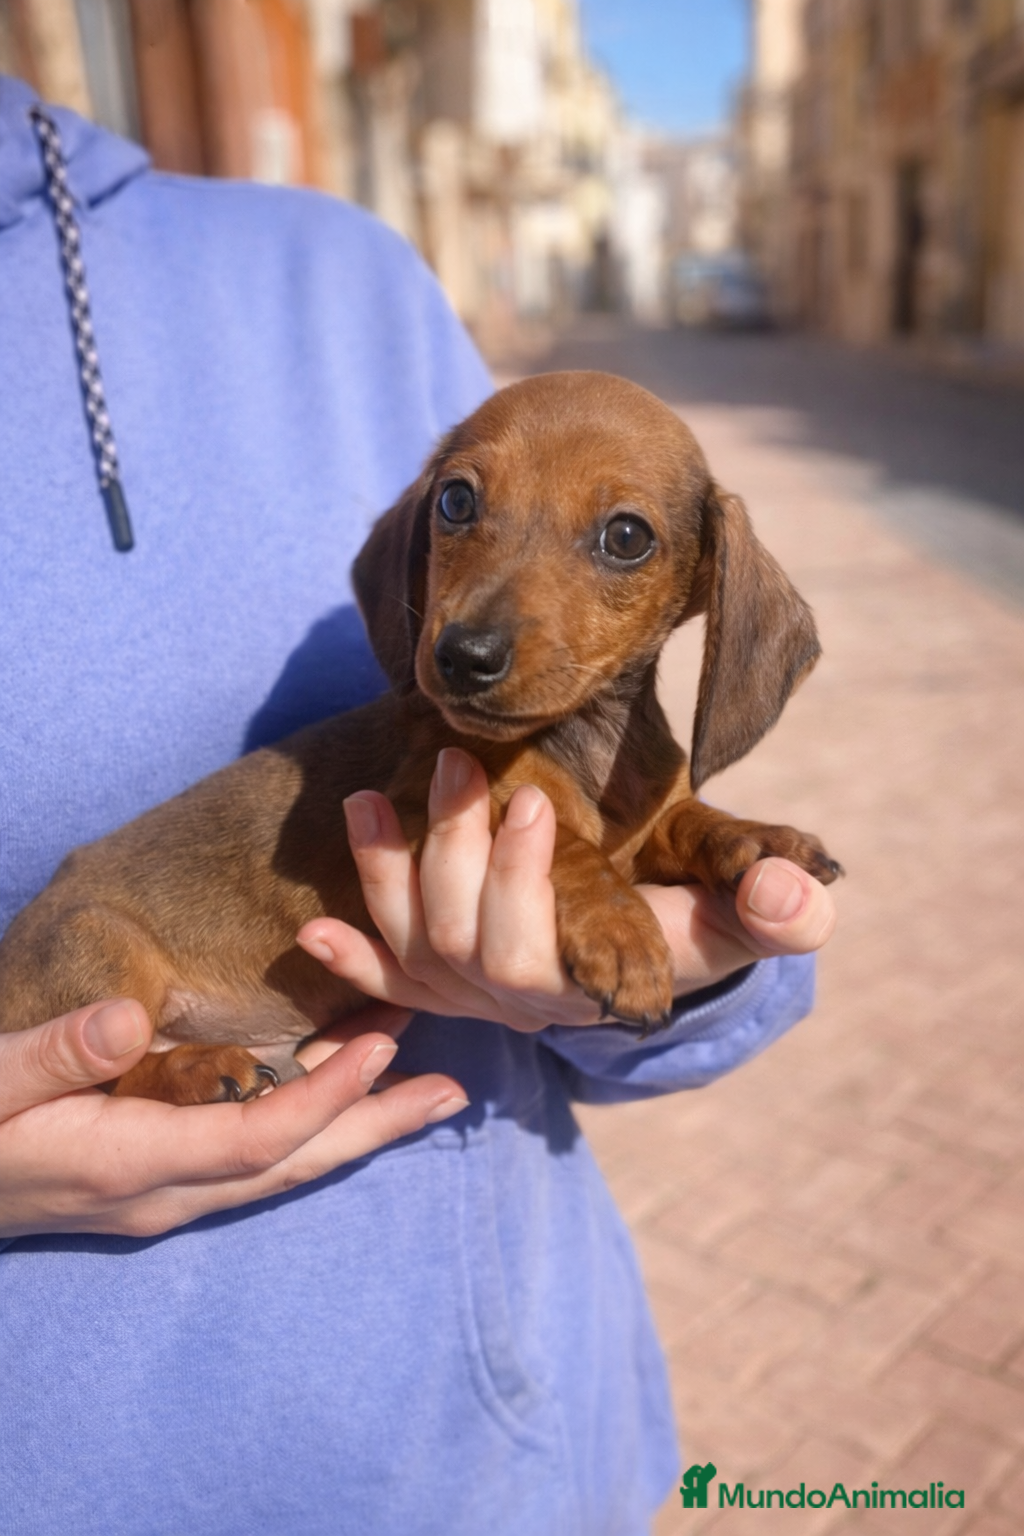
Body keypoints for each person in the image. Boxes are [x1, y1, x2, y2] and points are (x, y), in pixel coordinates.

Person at [0, 77, 836, 1536]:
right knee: (100, 947)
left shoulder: (341, 279)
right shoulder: (436, 724)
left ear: (708, 592)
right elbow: (464, 779)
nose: (484, 623)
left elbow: (658, 926)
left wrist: (702, 926)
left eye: (619, 543)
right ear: (413, 545)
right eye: (462, 510)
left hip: (503, 1454)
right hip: (92, 1470)